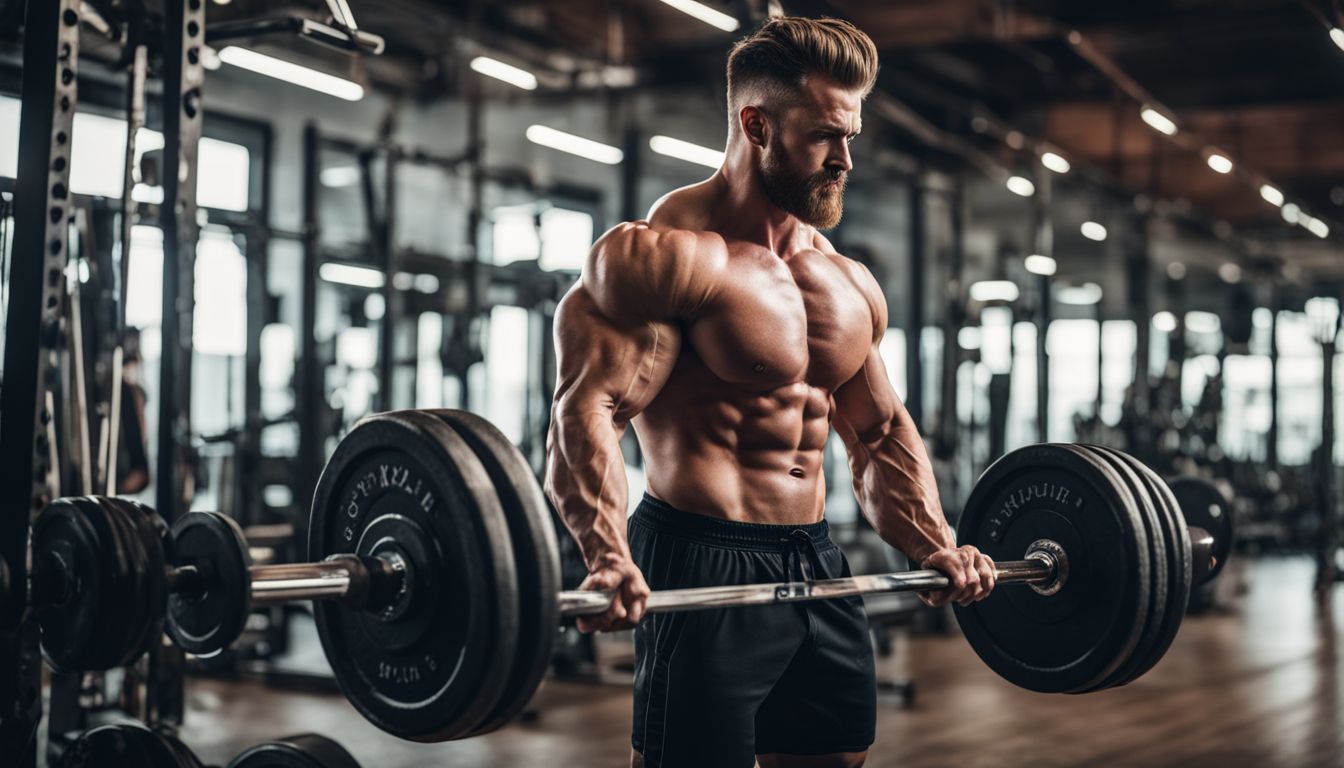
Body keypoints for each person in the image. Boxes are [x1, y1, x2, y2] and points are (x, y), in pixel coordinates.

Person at [544, 16, 996, 768]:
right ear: (756, 124)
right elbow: (588, 409)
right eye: (826, 135)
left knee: (835, 754)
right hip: (700, 551)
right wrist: (607, 555)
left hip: (814, 554)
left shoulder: (844, 280)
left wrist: (935, 544)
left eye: (851, 134)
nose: (845, 158)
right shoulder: (668, 258)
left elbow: (878, 433)